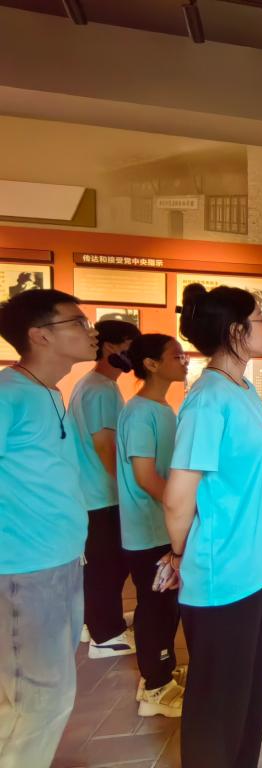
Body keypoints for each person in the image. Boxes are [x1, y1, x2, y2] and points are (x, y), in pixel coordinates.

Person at [163, 284, 262, 767]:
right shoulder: (207, 400)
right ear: (236, 331)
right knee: (217, 706)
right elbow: (178, 498)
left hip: (258, 564)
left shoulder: (242, 388)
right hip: (225, 572)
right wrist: (179, 554)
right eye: (260, 319)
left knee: (249, 692)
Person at [0, 289, 97, 767]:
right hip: (24, 572)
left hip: (60, 563)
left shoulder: (50, 392)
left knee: (35, 697)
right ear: (39, 335)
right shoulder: (8, 394)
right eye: (77, 322)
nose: (90, 331)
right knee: (39, 702)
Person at [117, 334, 189, 718]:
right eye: (176, 356)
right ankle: (155, 687)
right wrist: (181, 509)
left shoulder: (162, 408)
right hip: (148, 531)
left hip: (163, 527)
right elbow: (145, 476)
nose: (185, 361)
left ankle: (163, 670)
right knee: (155, 606)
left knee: (166, 605)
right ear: (151, 364)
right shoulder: (139, 413)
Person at [69, 318, 140, 658]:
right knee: (108, 567)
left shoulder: (93, 385)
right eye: (130, 346)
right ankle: (106, 634)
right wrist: (129, 488)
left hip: (94, 495)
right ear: (111, 347)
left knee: (101, 565)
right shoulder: (100, 389)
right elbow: (105, 446)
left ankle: (96, 622)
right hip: (102, 495)